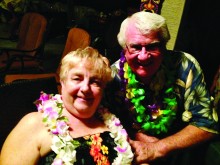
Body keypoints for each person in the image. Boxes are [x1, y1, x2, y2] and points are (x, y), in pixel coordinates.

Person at [106, 11, 219, 164]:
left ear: (164, 47)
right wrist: (133, 134)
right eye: (136, 47)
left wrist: (158, 148)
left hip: (180, 155)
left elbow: (207, 124)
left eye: (153, 47)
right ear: (124, 50)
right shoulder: (112, 77)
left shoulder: (184, 65)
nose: (144, 56)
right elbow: (103, 122)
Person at [0, 47, 134, 164]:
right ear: (62, 82)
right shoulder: (34, 124)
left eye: (95, 81)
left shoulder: (112, 124)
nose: (85, 88)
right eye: (77, 78)